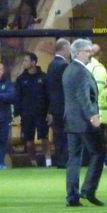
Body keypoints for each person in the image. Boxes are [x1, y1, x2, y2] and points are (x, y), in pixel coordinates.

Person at [62, 38, 106, 207]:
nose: (90, 53)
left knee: (73, 159)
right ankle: (88, 189)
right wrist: (92, 116)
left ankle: (72, 196)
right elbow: (83, 97)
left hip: (71, 121)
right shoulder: (80, 71)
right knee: (99, 152)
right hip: (83, 121)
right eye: (87, 51)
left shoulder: (69, 69)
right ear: (78, 52)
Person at [14, 52, 51, 167]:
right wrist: (17, 113)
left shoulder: (44, 77)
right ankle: (33, 163)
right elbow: (17, 97)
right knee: (29, 141)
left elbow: (49, 96)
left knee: (44, 138)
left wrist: (50, 112)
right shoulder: (21, 79)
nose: (24, 63)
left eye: (26, 60)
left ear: (33, 62)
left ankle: (48, 162)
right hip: (27, 114)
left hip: (41, 113)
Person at [46, 38, 70, 168]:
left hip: (55, 106)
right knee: (65, 134)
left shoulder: (51, 65)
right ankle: (65, 160)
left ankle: (60, 159)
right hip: (64, 106)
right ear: (65, 49)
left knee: (57, 134)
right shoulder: (63, 65)